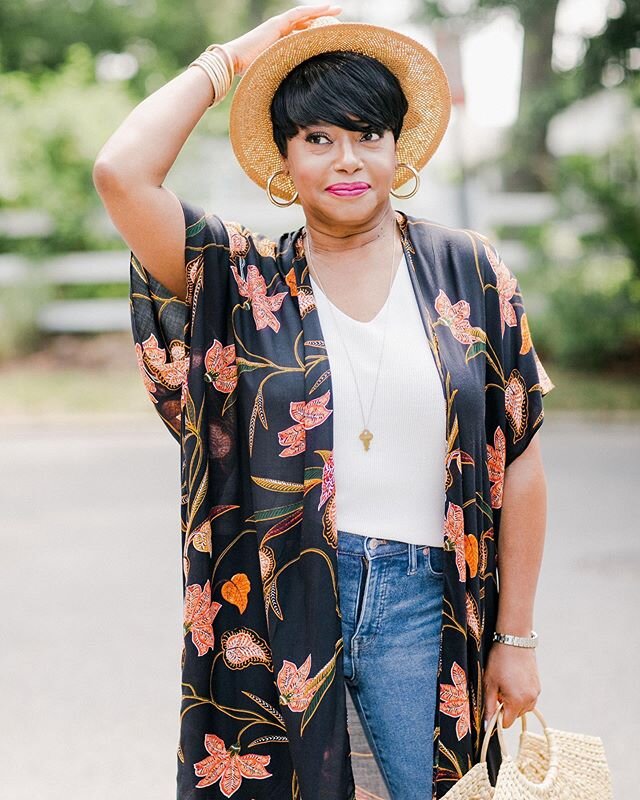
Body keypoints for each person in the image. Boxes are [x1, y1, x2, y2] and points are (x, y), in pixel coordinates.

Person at [93, 5, 556, 800]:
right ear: (285, 156)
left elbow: (522, 463)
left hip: (428, 602)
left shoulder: (469, 273)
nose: (348, 160)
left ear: (396, 147)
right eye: (319, 138)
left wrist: (515, 635)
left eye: (368, 135)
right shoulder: (240, 281)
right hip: (275, 602)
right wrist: (236, 57)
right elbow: (121, 172)